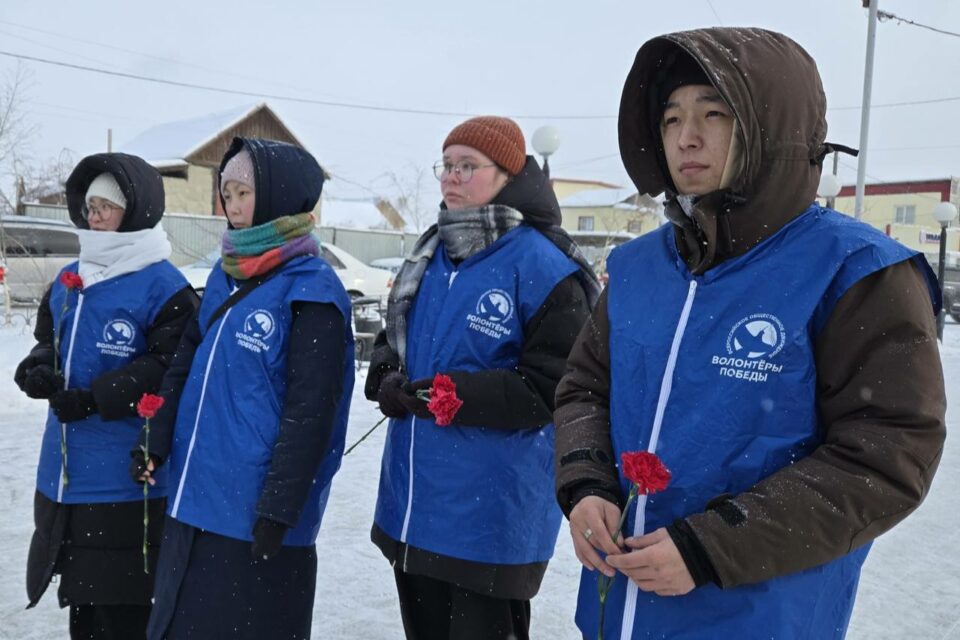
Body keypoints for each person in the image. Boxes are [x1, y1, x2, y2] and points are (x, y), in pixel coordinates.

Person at [554, 27, 947, 639]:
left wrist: (712, 546)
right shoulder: (638, 268)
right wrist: (586, 483)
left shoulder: (855, 271)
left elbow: (888, 454)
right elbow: (585, 388)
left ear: (773, 131)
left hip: (760, 616)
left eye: (715, 114)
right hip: (619, 611)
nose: (687, 137)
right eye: (671, 118)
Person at [364, 116, 600, 640]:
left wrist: (444, 395)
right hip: (414, 506)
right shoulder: (429, 253)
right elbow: (394, 336)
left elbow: (553, 387)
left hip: (488, 517)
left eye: (467, 166)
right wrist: (386, 376)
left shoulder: (543, 263)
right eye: (446, 165)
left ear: (507, 175)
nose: (451, 177)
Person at [132, 137, 354, 640]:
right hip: (193, 501)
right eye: (225, 192)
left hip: (250, 516)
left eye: (242, 193)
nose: (230, 206)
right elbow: (183, 367)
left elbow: (312, 413)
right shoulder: (224, 274)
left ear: (279, 196)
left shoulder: (312, 290)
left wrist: (281, 507)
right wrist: (156, 438)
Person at [15, 153, 198, 639]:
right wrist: (38, 369)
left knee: (124, 610)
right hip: (66, 474)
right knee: (85, 607)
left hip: (125, 479)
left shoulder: (165, 286)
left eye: (106, 207)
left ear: (135, 209)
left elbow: (167, 366)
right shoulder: (72, 276)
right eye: (90, 206)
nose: (94, 217)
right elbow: (49, 340)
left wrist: (95, 398)